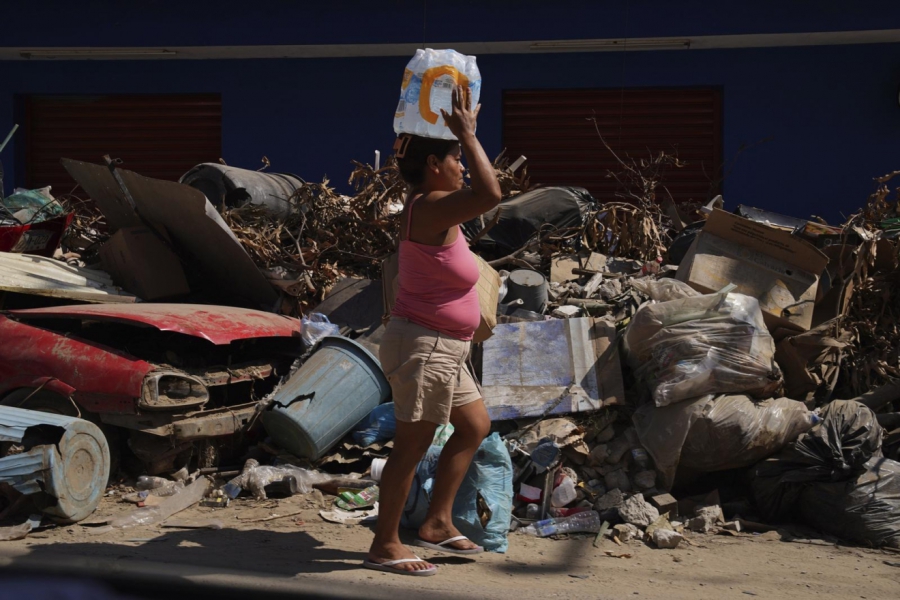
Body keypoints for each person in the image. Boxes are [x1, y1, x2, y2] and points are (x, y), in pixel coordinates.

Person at [364, 85, 502, 576]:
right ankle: (385, 543)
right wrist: (468, 134)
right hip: (424, 345)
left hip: (446, 345)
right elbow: (491, 193)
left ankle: (437, 523)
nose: (463, 165)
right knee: (412, 446)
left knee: (474, 425)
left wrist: (457, 135)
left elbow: (478, 190)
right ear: (433, 166)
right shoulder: (429, 207)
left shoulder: (432, 201)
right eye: (456, 158)